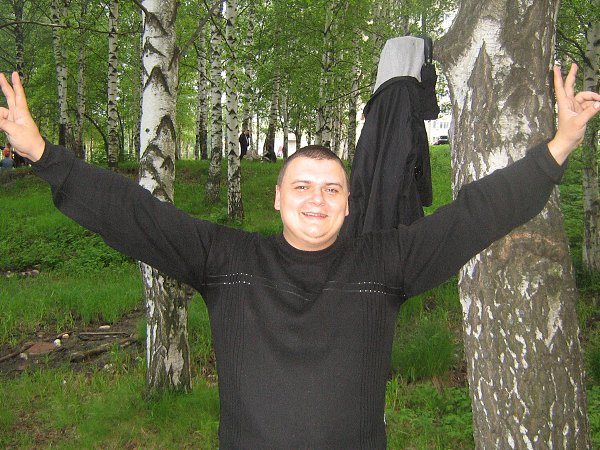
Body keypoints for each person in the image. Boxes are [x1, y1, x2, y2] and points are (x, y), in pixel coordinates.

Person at [1, 65, 599, 449]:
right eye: (304, 186)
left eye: (333, 189)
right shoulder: (227, 260)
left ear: (348, 203)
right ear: (279, 197)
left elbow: (473, 216)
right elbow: (136, 217)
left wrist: (559, 145)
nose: (318, 200)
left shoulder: (384, 264)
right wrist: (43, 154)